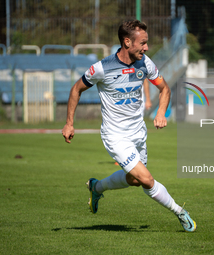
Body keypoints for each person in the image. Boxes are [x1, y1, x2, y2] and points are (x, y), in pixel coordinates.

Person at [62, 20, 196, 232]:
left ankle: (96, 187)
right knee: (147, 179)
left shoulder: (145, 63)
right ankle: (180, 212)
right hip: (115, 136)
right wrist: (69, 123)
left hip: (138, 133)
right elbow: (76, 89)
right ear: (127, 42)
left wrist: (161, 112)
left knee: (135, 180)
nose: (146, 47)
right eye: (142, 43)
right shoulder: (102, 68)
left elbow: (164, 89)